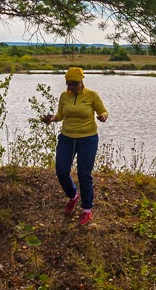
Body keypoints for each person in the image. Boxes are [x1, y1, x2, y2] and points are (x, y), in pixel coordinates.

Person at [41, 67, 108, 225]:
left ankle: (87, 210)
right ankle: (73, 196)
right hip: (67, 138)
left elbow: (103, 111)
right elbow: (61, 115)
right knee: (61, 170)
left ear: (81, 82)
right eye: (69, 84)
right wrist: (51, 119)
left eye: (75, 84)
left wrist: (102, 117)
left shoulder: (92, 95)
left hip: (88, 138)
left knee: (84, 174)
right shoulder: (64, 96)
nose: (72, 87)